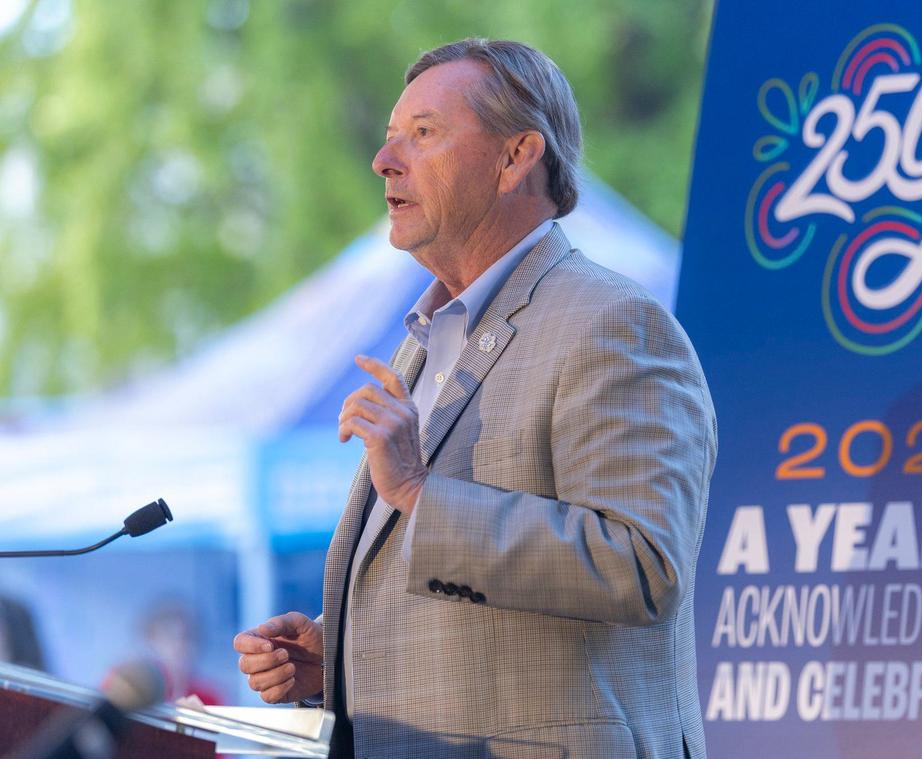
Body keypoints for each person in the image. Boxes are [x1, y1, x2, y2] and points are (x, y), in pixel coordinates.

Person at [233, 38, 716, 758]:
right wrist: (338, 659)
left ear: (516, 157)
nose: (384, 160)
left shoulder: (614, 322)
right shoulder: (426, 340)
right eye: (390, 136)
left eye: (423, 133)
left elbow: (642, 565)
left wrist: (420, 492)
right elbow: (471, 608)